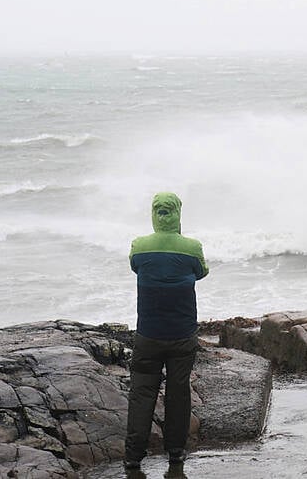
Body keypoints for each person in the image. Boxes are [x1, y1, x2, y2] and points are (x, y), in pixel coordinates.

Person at [124, 192, 209, 470]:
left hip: (148, 334)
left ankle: (134, 456)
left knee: (141, 392)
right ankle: (175, 451)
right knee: (178, 392)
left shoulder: (140, 246)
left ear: (154, 213)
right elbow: (201, 272)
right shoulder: (192, 247)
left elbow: (136, 267)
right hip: (182, 334)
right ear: (177, 213)